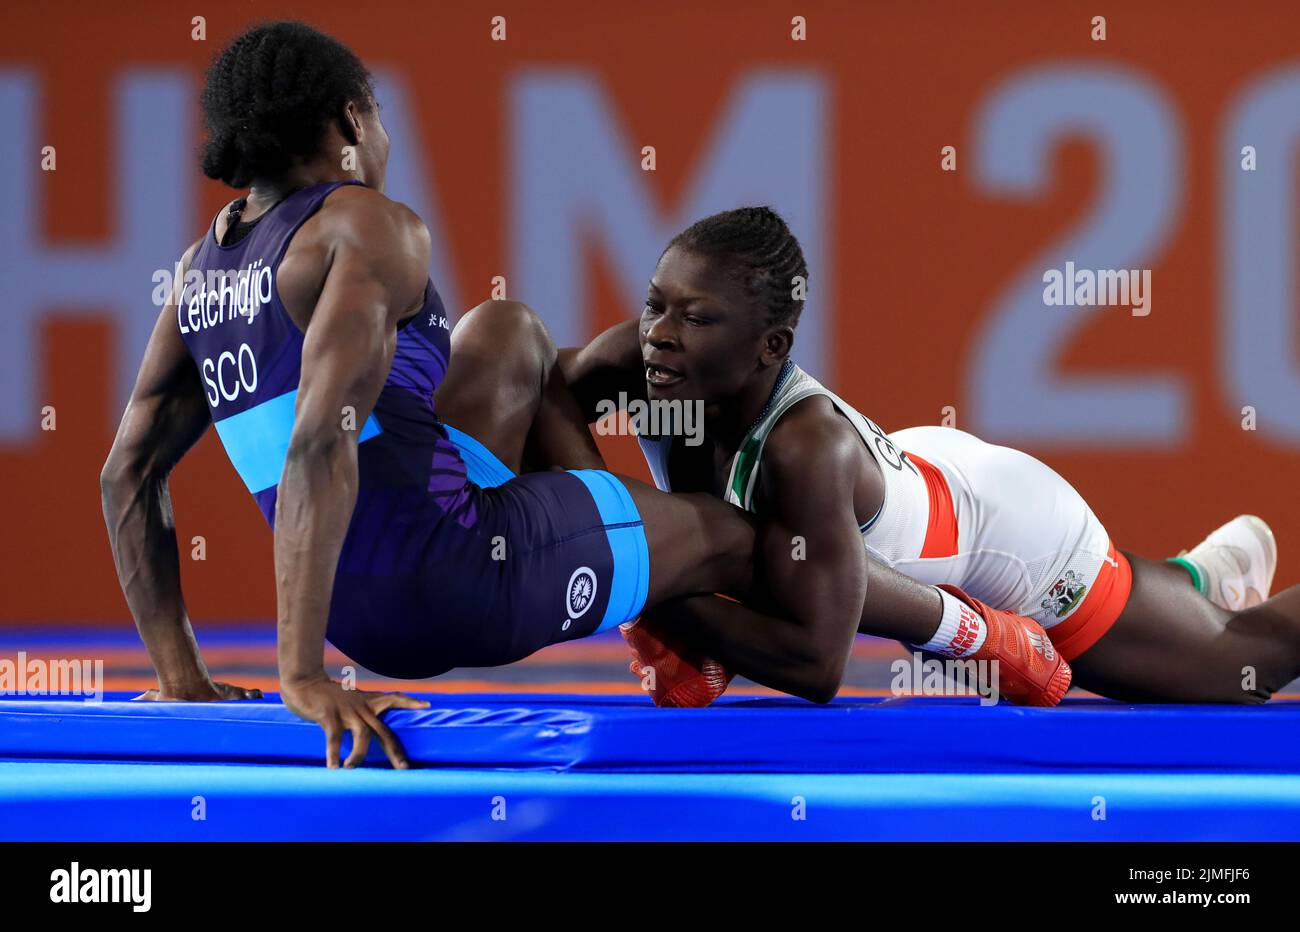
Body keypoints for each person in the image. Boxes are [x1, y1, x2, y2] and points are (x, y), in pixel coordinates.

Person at [100, 22, 790, 770]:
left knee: (506, 330)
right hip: (459, 574)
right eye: (380, 113)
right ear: (351, 119)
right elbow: (319, 440)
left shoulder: (199, 270)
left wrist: (180, 677)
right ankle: (934, 615)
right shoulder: (366, 225)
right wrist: (298, 677)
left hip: (358, 617)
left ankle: (628, 572)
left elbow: (126, 475)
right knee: (740, 538)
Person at [563, 205, 1295, 706]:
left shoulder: (803, 449)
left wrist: (650, 592)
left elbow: (815, 664)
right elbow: (545, 406)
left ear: (771, 347)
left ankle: (1200, 594)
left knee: (1239, 666)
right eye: (656, 303)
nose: (660, 332)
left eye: (696, 318)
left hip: (1013, 543)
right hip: (911, 488)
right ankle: (1200, 576)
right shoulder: (638, 364)